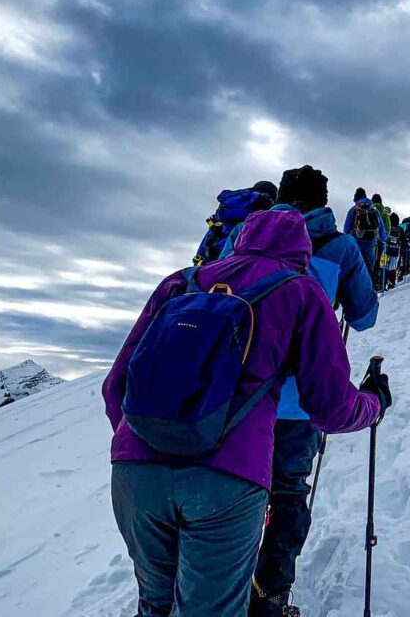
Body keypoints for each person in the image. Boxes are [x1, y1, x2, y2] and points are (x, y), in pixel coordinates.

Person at [102, 209, 391, 617]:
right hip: (226, 479)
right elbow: (330, 408)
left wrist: (150, 444)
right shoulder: (301, 291)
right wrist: (373, 404)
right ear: (302, 249)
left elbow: (115, 386)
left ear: (241, 236)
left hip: (135, 471)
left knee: (155, 604)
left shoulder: (180, 282)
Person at [245, 166, 379, 615]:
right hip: (301, 399)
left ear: (281, 196)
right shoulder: (340, 246)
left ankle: (219, 586)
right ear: (325, 201)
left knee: (236, 488)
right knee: (286, 493)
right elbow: (364, 317)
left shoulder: (245, 236)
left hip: (237, 397)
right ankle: (270, 598)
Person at [193, 181, 278, 265]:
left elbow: (203, 249)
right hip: (234, 267)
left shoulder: (226, 210)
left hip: (208, 265)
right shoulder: (260, 214)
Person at [343, 188, 386, 283]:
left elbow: (346, 229)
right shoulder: (373, 210)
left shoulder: (353, 210)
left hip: (356, 241)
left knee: (356, 266)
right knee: (369, 267)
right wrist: (383, 239)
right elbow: (381, 227)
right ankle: (369, 288)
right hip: (371, 242)